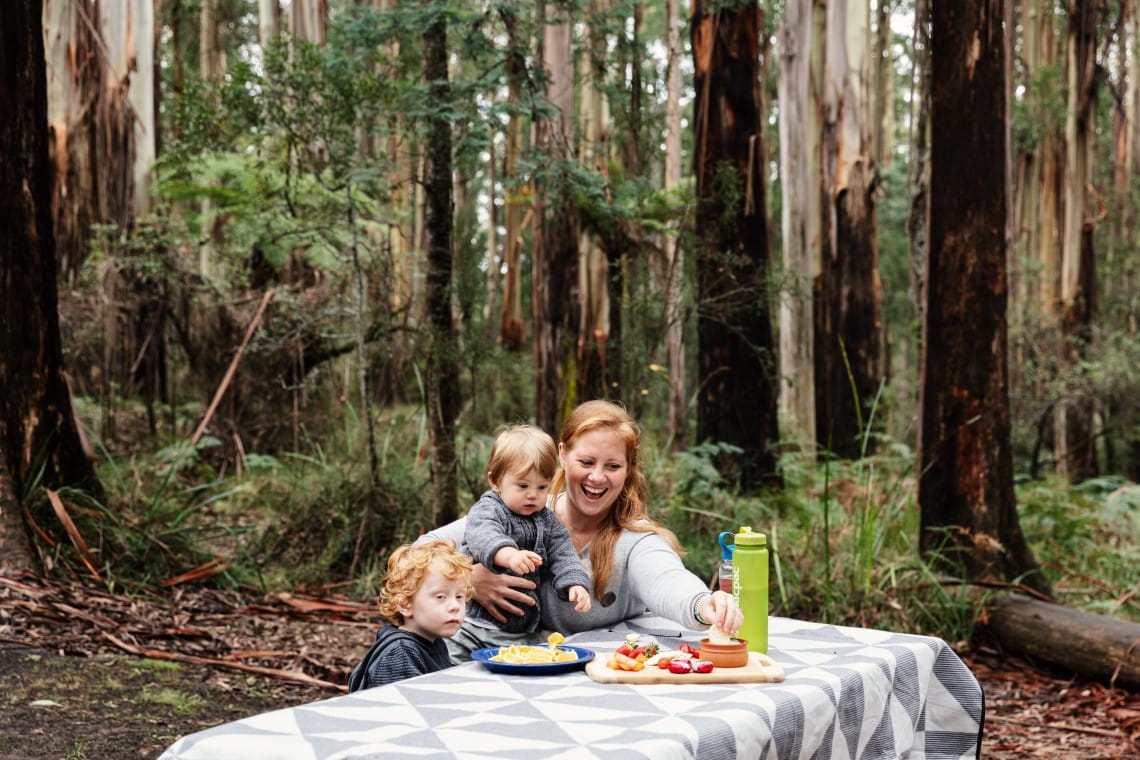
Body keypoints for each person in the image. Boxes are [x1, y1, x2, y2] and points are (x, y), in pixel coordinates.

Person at [421, 400, 743, 650]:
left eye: (613, 466)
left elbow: (666, 580)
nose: (597, 477)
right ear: (562, 455)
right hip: (511, 661)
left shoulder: (636, 538)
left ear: (628, 469)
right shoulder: (522, 512)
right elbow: (419, 552)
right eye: (586, 462)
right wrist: (468, 578)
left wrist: (704, 604)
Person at [449, 424, 592, 660]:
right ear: (495, 481)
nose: (533, 495)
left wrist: (575, 584)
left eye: (542, 487)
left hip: (519, 632)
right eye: (523, 486)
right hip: (469, 624)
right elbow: (483, 534)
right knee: (452, 664)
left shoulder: (548, 521)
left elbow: (563, 553)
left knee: (519, 672)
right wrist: (508, 555)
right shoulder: (489, 508)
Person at [348, 540, 473, 691]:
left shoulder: (433, 642)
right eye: (441, 597)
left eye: (459, 596)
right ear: (405, 604)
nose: (455, 606)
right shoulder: (401, 653)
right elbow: (404, 709)